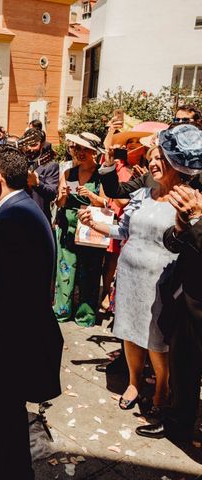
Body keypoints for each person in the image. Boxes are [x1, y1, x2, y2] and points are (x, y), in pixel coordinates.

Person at [0, 146, 63, 480]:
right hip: (17, 342)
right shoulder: (24, 209)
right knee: (8, 429)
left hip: (7, 348)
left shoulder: (12, 218)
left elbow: (8, 297)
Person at [79, 143, 182, 414]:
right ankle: (134, 383)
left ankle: (162, 387)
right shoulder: (142, 195)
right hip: (130, 275)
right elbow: (123, 230)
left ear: (176, 163)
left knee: (156, 338)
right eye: (152, 159)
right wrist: (93, 224)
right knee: (130, 332)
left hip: (161, 278)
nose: (154, 163)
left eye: (161, 158)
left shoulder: (185, 199)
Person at [136, 124, 202, 440]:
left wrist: (198, 220)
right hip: (186, 293)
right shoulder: (191, 188)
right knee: (183, 365)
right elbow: (175, 242)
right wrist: (180, 226)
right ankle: (177, 422)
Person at [54, 132, 107, 327]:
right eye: (78, 148)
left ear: (94, 152)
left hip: (91, 228)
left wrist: (92, 197)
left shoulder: (101, 175)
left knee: (90, 272)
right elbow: (60, 203)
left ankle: (85, 315)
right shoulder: (69, 173)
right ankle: (62, 311)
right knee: (65, 270)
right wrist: (63, 195)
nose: (81, 152)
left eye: (86, 149)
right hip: (68, 227)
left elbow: (107, 203)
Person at [21, 128, 59, 223]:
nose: (29, 148)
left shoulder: (50, 165)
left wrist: (37, 184)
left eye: (34, 145)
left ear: (42, 145)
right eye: (27, 144)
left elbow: (52, 194)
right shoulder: (19, 162)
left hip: (39, 219)